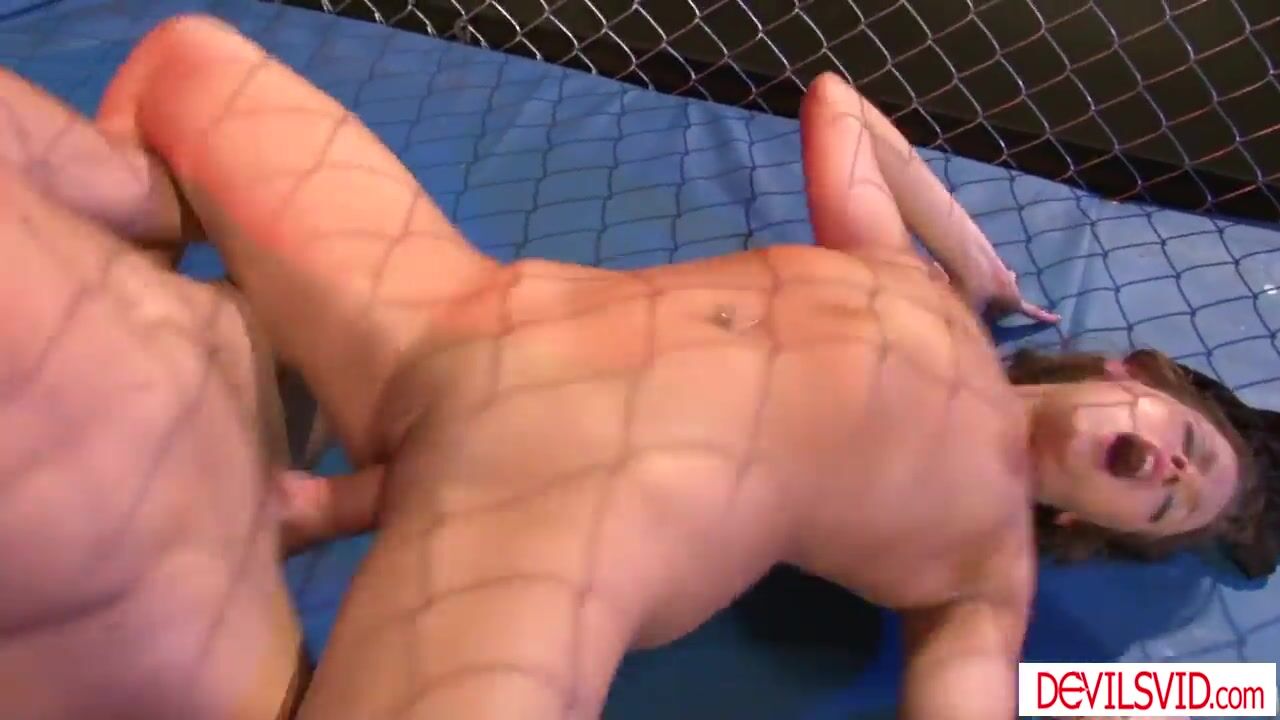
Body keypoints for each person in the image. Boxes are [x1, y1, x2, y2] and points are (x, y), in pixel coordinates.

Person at [0, 14, 1264, 720]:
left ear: (1087, 525)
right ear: (1138, 377)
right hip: (443, 318)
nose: (1160, 471)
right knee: (192, 63)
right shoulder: (910, 286)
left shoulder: (981, 569)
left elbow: (975, 700)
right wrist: (974, 261)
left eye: (1162, 505)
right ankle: (207, 348)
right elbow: (838, 104)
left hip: (558, 530)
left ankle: (211, 542)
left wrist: (1202, 698)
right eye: (1186, 448)